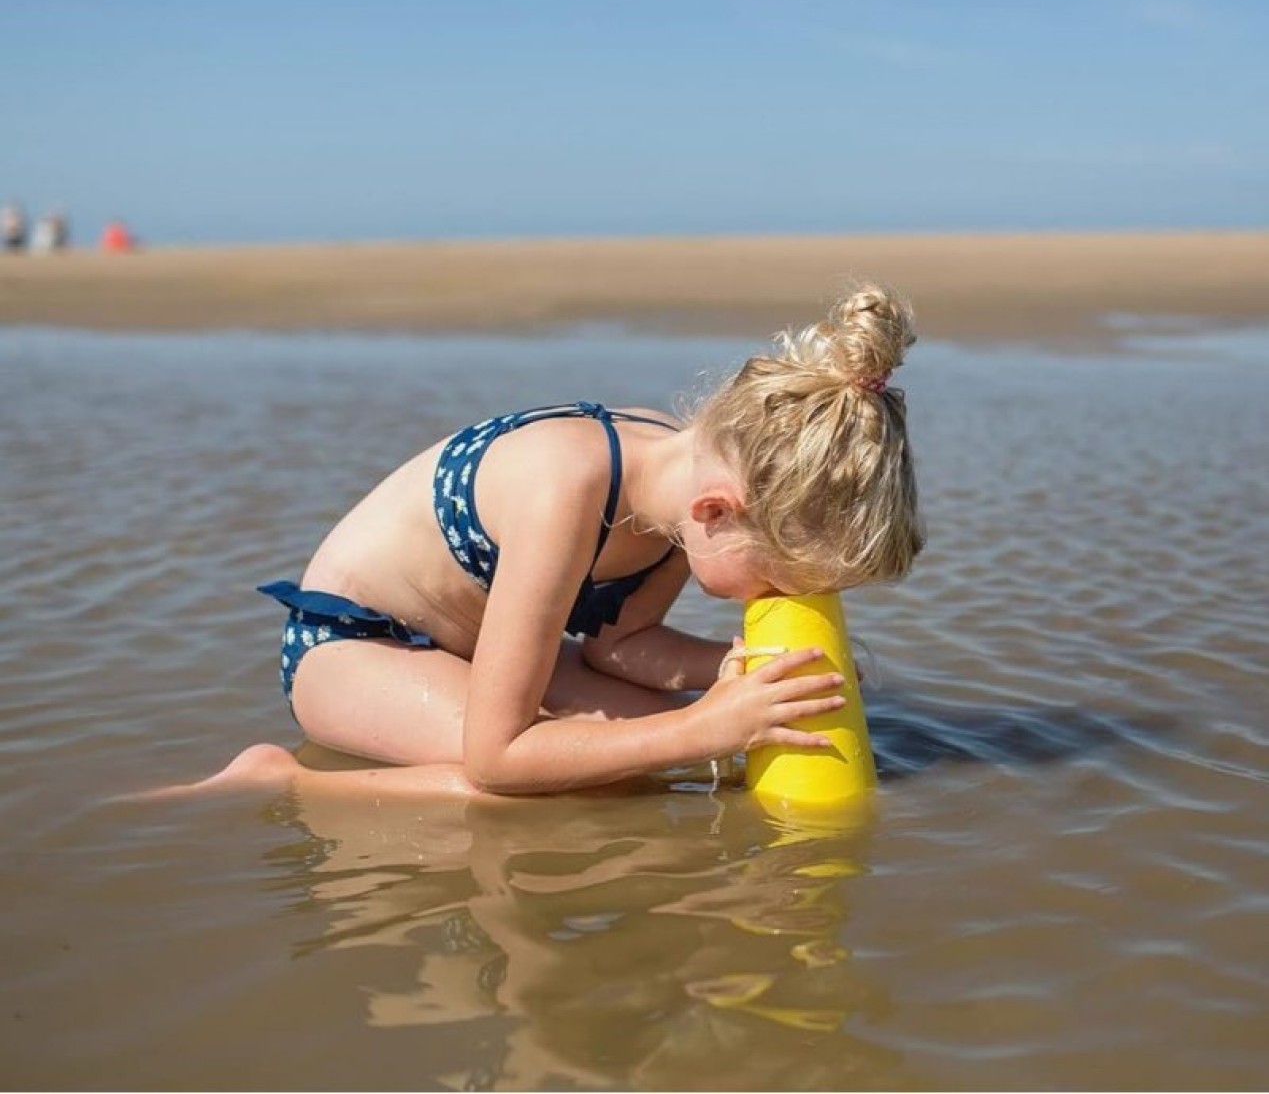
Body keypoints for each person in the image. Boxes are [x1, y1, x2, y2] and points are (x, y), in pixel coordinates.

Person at [174, 282, 924, 801]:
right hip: (353, 650)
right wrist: (702, 726)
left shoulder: (685, 488)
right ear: (718, 511)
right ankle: (287, 782)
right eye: (779, 581)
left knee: (664, 744)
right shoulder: (566, 489)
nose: (779, 599)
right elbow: (496, 758)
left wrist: (738, 670)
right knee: (578, 777)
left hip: (477, 652)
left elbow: (617, 646)